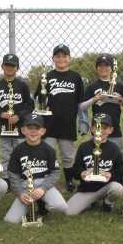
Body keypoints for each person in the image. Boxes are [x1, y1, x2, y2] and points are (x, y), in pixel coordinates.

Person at [34, 44, 85, 193]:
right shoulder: (47, 76)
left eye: (64, 56)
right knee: (48, 152)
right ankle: (44, 180)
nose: (61, 59)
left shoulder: (75, 77)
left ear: (69, 58)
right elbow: (38, 98)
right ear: (53, 58)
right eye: (58, 56)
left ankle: (69, 181)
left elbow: (80, 102)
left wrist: (83, 121)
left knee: (68, 155)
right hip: (49, 123)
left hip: (68, 123)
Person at [4, 114, 68, 223]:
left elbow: (55, 172)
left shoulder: (49, 150)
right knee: (11, 220)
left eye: (37, 128)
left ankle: (42, 205)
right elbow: (13, 174)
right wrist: (20, 193)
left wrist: (43, 188)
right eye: (29, 128)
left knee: (61, 206)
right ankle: (31, 206)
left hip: (43, 183)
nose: (33, 132)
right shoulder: (18, 150)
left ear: (43, 131)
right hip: (25, 186)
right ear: (23, 130)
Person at [81, 54, 123, 194]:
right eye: (100, 66)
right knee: (97, 156)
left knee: (117, 155)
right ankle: (95, 182)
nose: (103, 68)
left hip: (114, 128)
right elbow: (81, 107)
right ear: (97, 68)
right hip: (97, 129)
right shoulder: (92, 87)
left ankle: (118, 181)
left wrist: (122, 101)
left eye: (106, 65)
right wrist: (93, 99)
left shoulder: (119, 85)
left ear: (111, 69)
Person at [0, 54, 34, 185]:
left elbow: (30, 105)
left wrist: (19, 116)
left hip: (20, 127)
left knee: (21, 151)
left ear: (17, 68)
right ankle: (6, 180)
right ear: (2, 66)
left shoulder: (22, 86)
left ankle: (21, 178)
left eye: (12, 65)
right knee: (6, 155)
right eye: (7, 65)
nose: (9, 68)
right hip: (4, 127)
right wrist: (1, 114)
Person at [66, 114, 123, 215]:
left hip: (107, 187)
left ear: (111, 130)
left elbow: (120, 171)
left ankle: (108, 202)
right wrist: (82, 173)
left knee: (118, 188)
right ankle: (91, 201)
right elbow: (75, 169)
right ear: (92, 129)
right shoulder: (84, 147)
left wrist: (110, 174)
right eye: (97, 127)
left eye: (105, 128)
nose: (100, 131)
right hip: (87, 189)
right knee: (69, 212)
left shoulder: (114, 149)